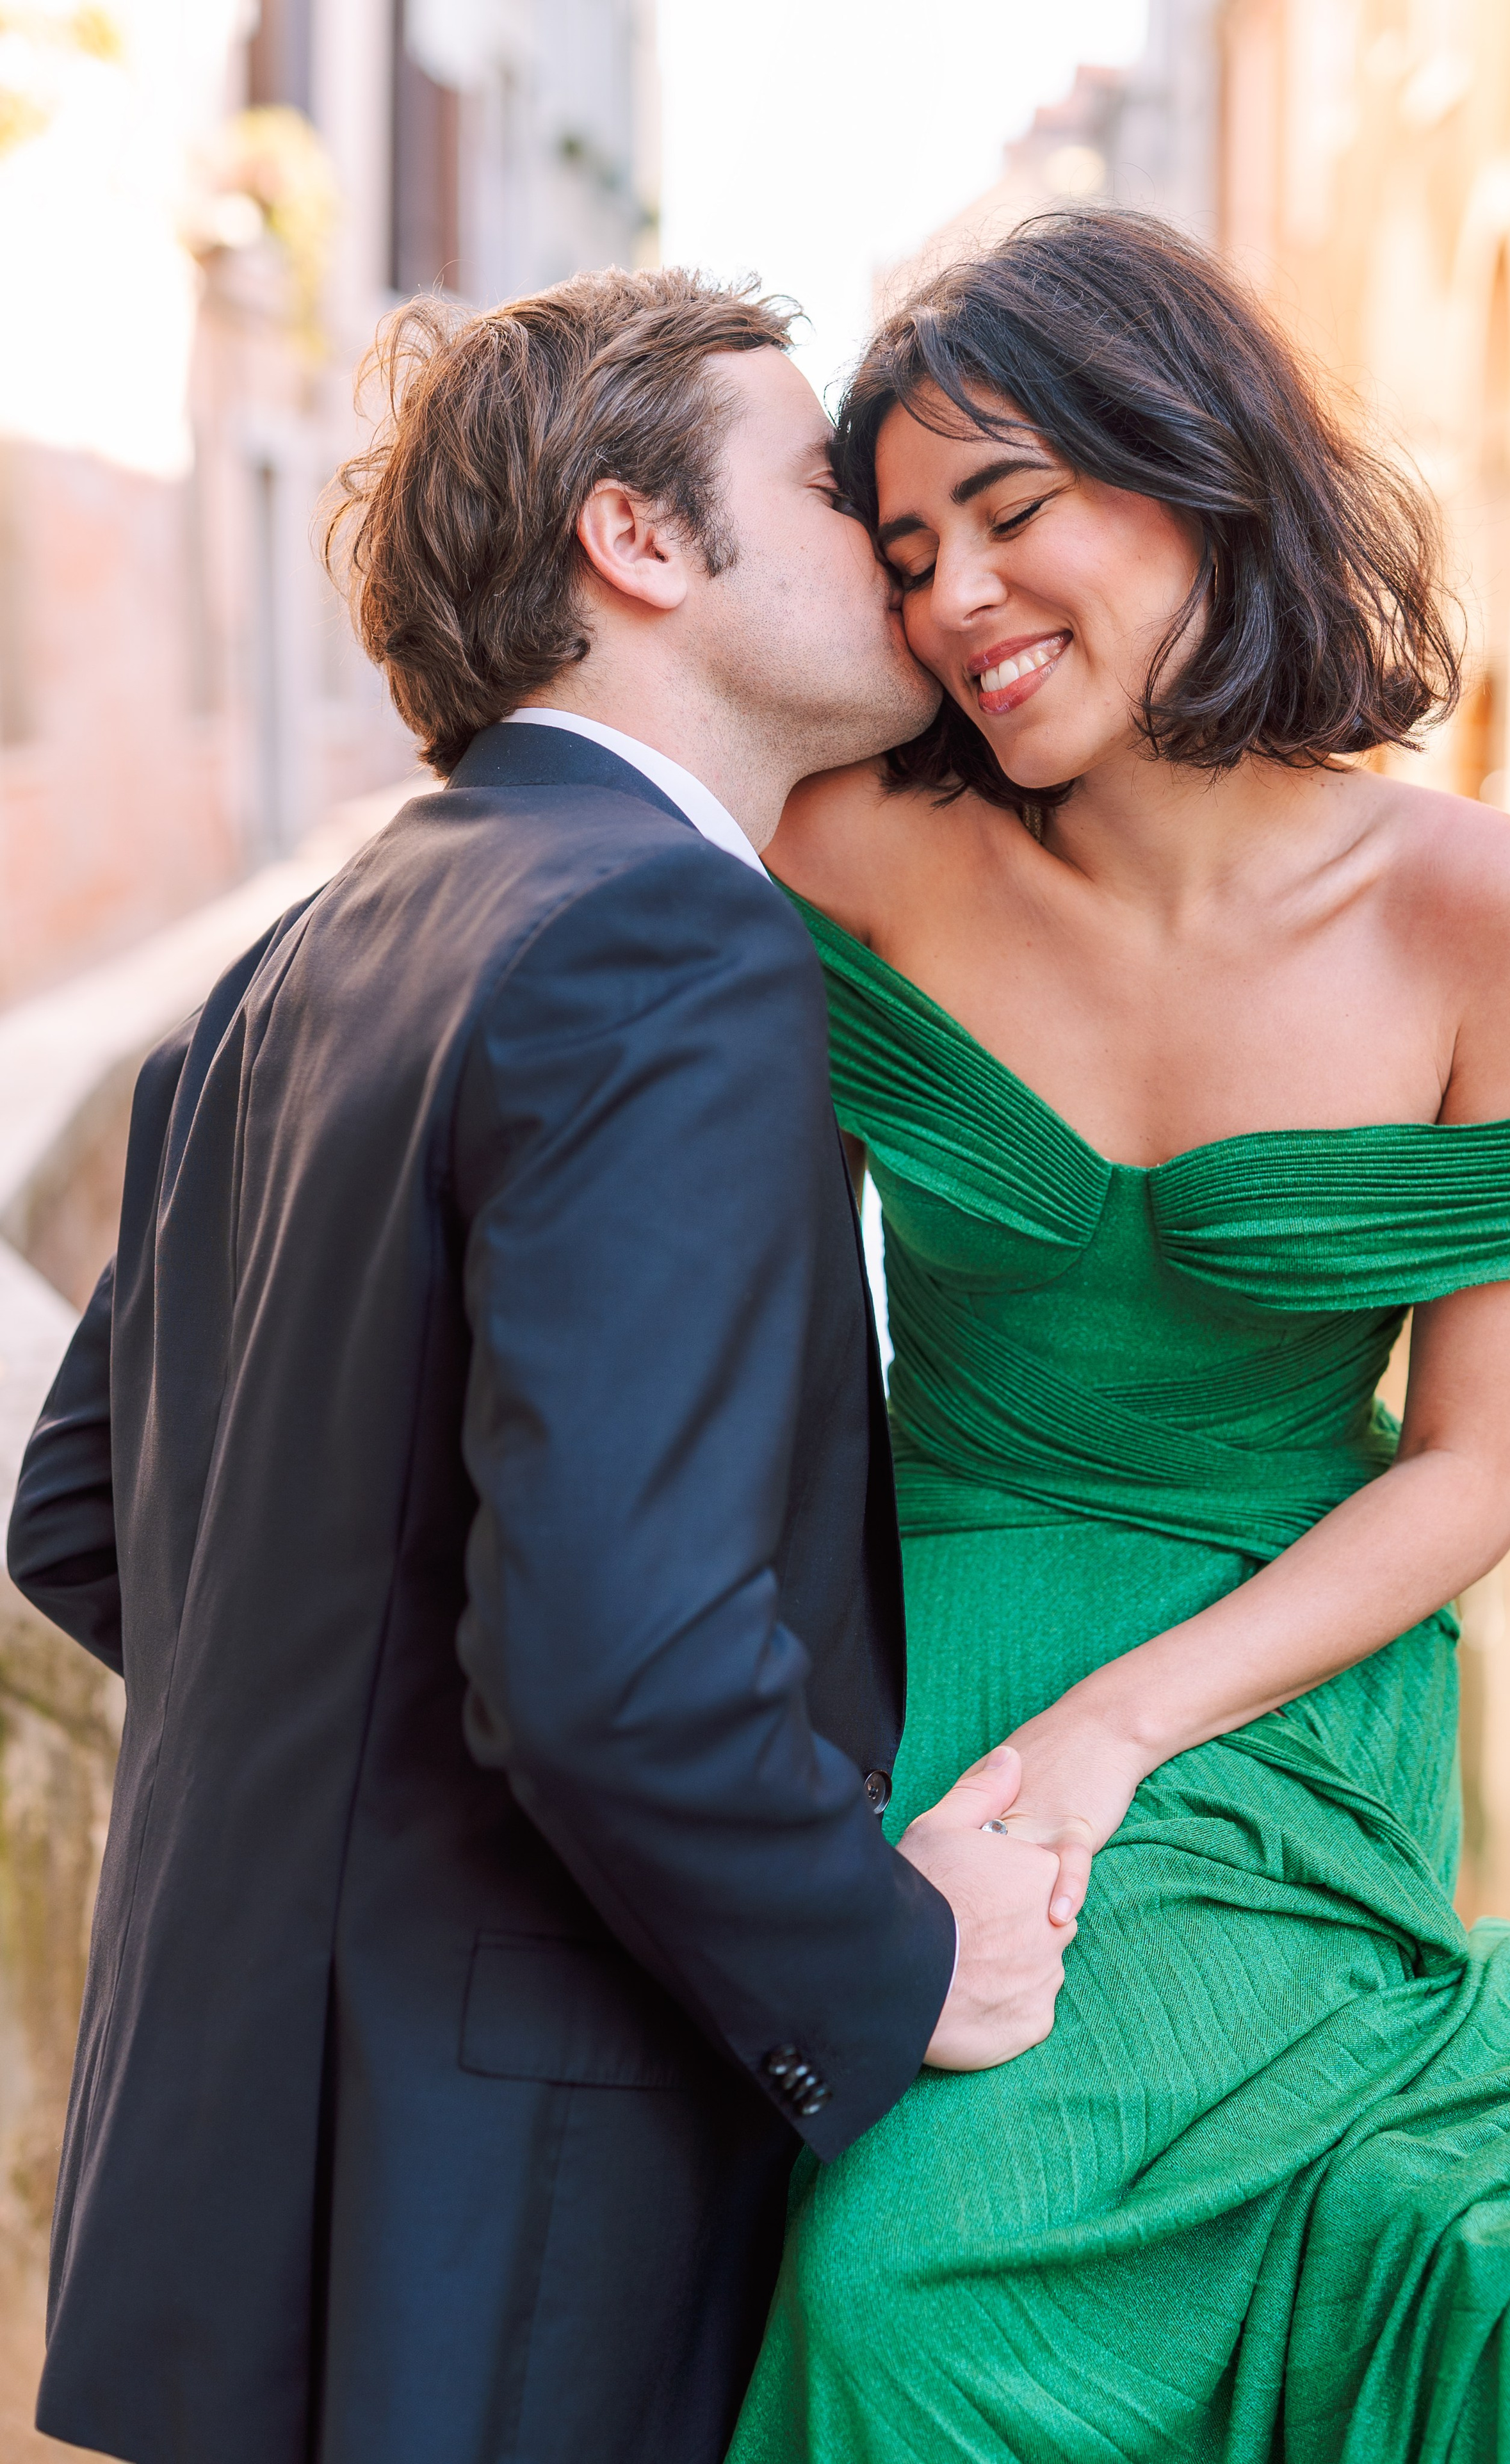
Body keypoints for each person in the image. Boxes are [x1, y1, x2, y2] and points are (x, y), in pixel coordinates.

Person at [4, 268, 1074, 2464]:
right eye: (822, 487)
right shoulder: (676, 945)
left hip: (237, 2158)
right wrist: (891, 1960)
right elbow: (614, 1663)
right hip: (513, 2185)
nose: (888, 547)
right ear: (639, 542)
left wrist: (382, 1816)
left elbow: (87, 1513)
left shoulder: (298, 955)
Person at [728, 210, 1510, 2462]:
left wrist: (1129, 1728)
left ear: (1200, 469)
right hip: (914, 1630)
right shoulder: (846, 851)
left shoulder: (1488, 917)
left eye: (1015, 511)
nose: (957, 599)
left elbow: (1469, 1473)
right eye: (913, 546)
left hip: (1273, 1688)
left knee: (913, 2275)